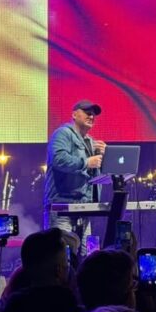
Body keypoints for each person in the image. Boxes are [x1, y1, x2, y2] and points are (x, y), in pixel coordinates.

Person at [43, 100, 107, 241]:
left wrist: (105, 157)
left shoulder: (91, 141)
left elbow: (93, 176)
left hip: (84, 207)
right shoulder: (63, 134)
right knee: (61, 250)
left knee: (87, 252)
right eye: (87, 113)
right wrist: (87, 162)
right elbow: (58, 159)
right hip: (62, 207)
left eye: (93, 114)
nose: (91, 116)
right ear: (74, 115)